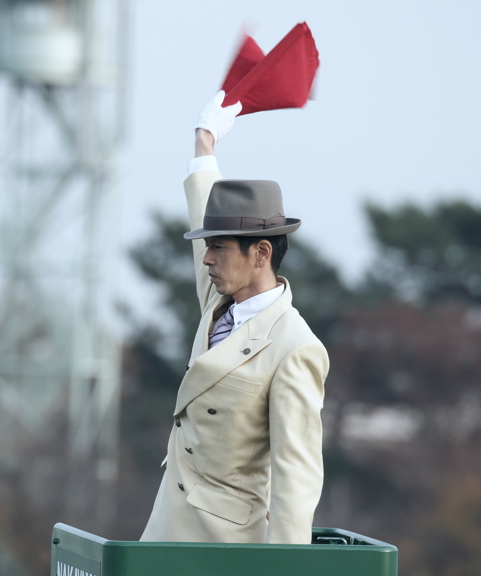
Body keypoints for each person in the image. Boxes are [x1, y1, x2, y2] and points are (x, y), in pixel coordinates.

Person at [139, 91, 329, 544]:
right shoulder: (219, 299)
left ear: (261, 253)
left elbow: (295, 477)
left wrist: (283, 571)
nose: (205, 259)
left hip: (224, 548)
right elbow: (203, 205)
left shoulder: (296, 347)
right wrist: (204, 144)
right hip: (166, 528)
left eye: (217, 247)